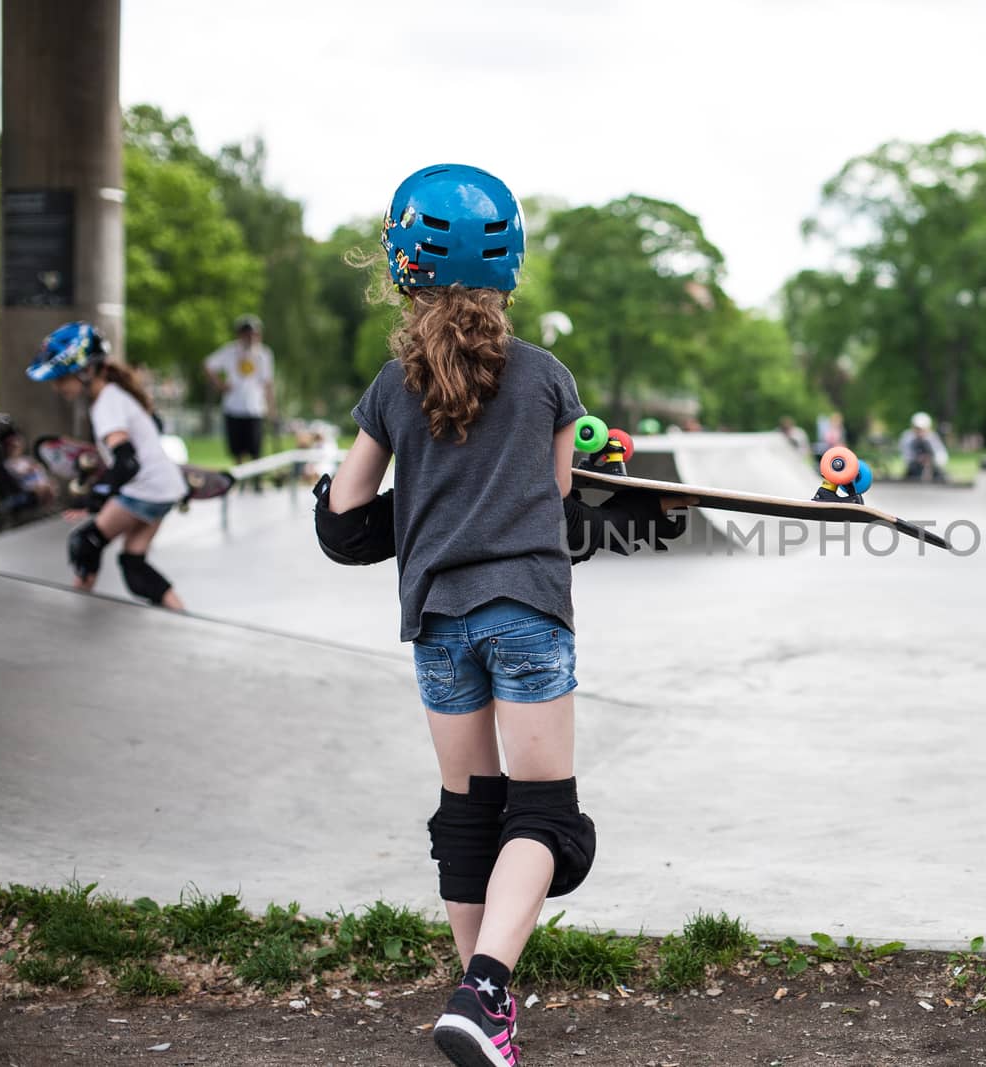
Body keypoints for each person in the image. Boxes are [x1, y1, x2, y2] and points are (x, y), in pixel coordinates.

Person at [313, 163, 687, 1067]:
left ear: (405, 267)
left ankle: (479, 1001)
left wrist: (378, 497)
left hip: (437, 622)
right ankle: (482, 991)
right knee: (547, 817)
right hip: (525, 610)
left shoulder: (390, 387)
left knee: (469, 811)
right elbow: (558, 498)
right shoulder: (548, 377)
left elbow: (346, 516)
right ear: (508, 265)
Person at [25, 322, 188, 610]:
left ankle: (76, 612)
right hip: (165, 488)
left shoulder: (106, 404)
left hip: (145, 489)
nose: (56, 385)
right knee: (133, 565)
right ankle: (183, 615)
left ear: (86, 370)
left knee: (86, 542)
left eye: (61, 377)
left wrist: (94, 497)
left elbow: (127, 462)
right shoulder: (114, 395)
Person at [203, 314, 275, 487]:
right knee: (237, 449)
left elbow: (268, 383)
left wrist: (272, 407)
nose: (250, 337)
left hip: (255, 408)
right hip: (233, 407)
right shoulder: (229, 351)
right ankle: (242, 482)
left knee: (256, 449)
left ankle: (257, 482)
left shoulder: (263, 354)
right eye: (246, 333)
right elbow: (208, 365)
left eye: (253, 333)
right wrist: (220, 385)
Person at [898, 411, 949, 481]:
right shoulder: (908, 437)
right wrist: (917, 459)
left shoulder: (932, 438)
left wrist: (930, 460)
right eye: (917, 428)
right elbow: (906, 455)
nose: (919, 431)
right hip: (914, 468)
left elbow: (942, 455)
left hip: (932, 467)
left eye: (922, 429)